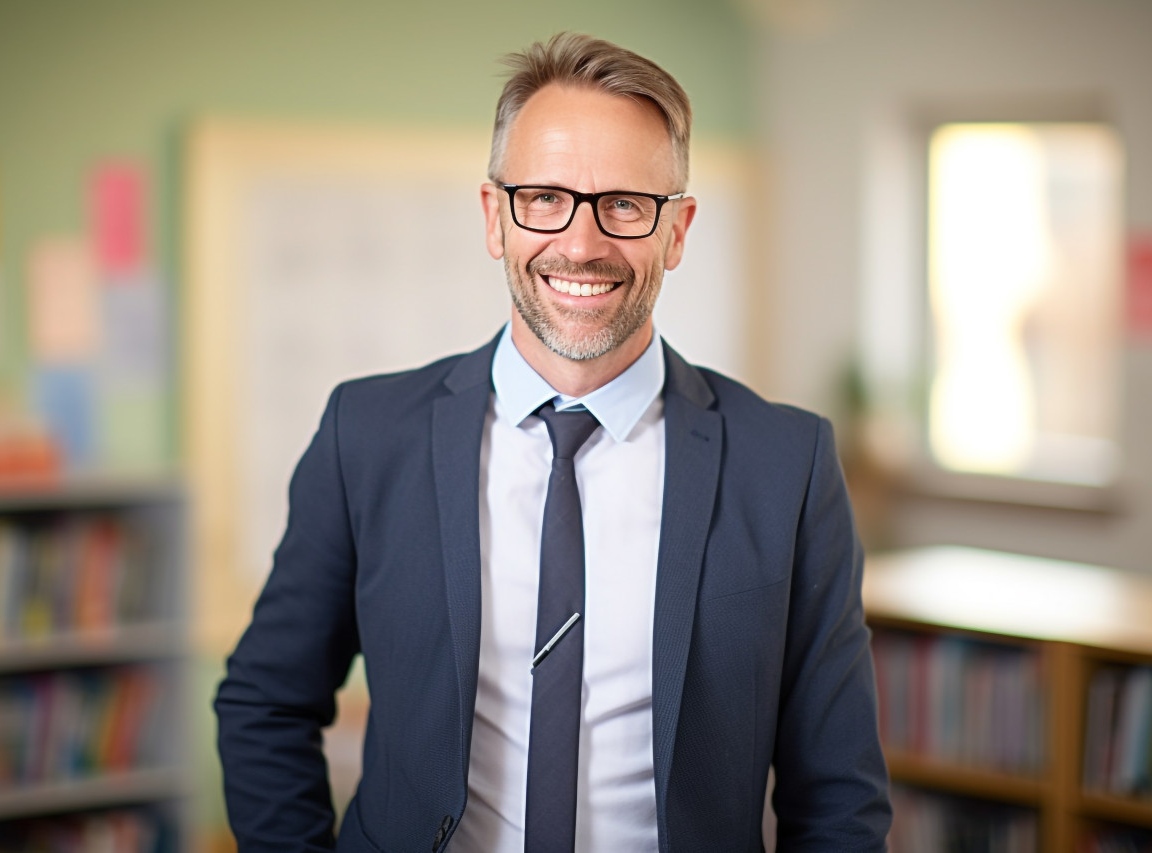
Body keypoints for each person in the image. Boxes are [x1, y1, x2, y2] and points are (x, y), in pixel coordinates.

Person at [215, 32, 891, 853]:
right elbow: (266, 701)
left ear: (677, 230)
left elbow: (839, 793)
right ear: (495, 216)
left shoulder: (787, 466)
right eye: (545, 197)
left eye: (625, 204)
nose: (581, 243)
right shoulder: (367, 436)